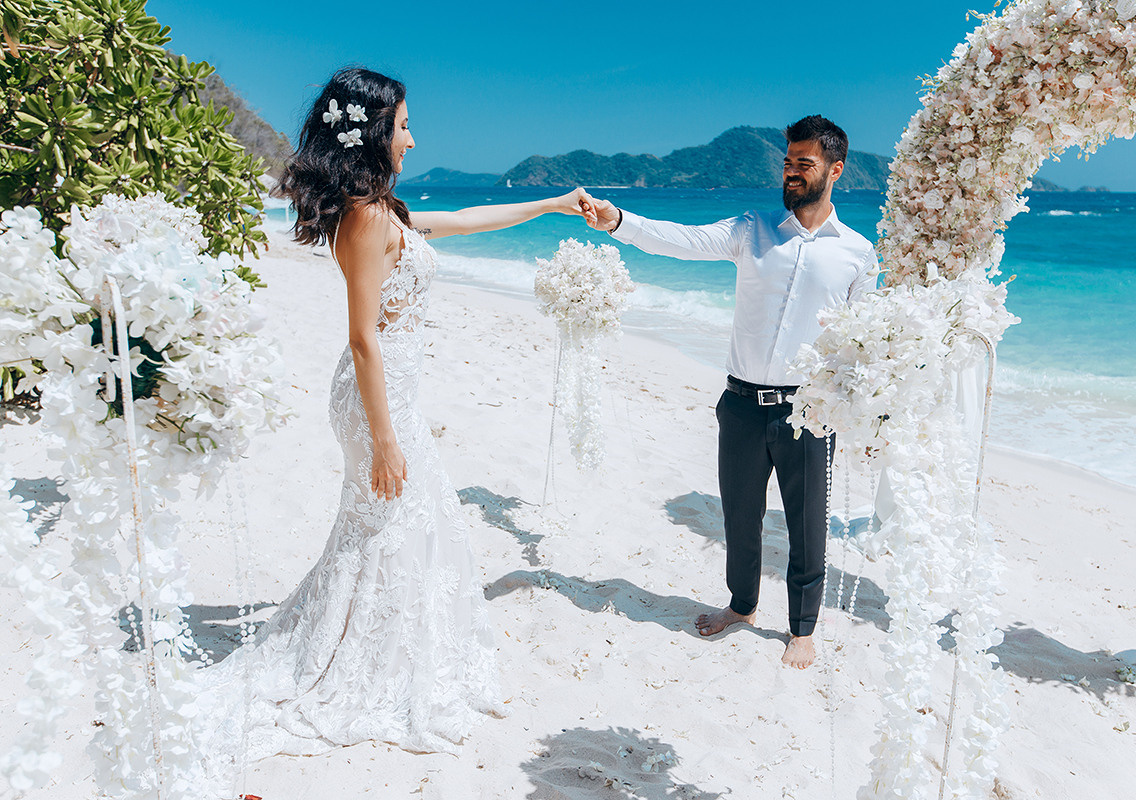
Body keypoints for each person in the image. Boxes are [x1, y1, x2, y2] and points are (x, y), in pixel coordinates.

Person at [199, 67, 597, 765]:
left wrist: (553, 205)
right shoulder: (364, 218)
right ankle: (363, 656)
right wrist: (385, 440)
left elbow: (466, 221)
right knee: (393, 521)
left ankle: (380, 642)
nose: (413, 139)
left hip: (394, 395)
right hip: (374, 401)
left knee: (395, 524)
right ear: (375, 131)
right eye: (405, 125)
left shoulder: (385, 212)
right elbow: (362, 337)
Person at [587, 116, 878, 669]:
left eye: (805, 164)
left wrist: (864, 411)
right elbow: (684, 241)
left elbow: (860, 342)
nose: (791, 172)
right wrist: (619, 221)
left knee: (807, 526)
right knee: (740, 518)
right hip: (741, 405)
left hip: (809, 412)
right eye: (788, 162)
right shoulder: (753, 229)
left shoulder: (858, 254)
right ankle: (742, 607)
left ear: (835, 170)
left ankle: (802, 629)